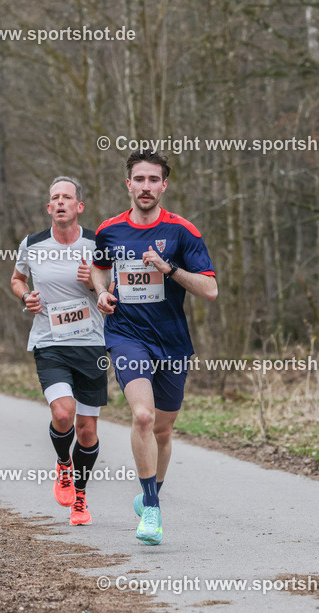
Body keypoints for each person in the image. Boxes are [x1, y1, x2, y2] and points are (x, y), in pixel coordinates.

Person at [90, 149, 217, 545]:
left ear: (164, 185)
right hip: (126, 335)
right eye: (139, 179)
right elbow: (98, 267)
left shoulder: (183, 232)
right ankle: (151, 507)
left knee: (163, 430)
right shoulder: (109, 230)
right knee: (143, 417)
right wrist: (101, 292)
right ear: (128, 184)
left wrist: (170, 269)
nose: (146, 187)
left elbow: (210, 290)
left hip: (172, 342)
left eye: (153, 180)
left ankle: (149, 496)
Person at [10, 176, 107, 526]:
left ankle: (80, 497)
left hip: (91, 344)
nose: (61, 202)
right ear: (49, 207)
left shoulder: (97, 243)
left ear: (79, 206)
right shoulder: (32, 244)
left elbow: (113, 290)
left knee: (87, 431)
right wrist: (26, 296)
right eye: (55, 197)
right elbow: (17, 279)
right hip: (50, 342)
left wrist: (93, 283)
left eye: (68, 197)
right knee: (63, 413)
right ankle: (63, 464)